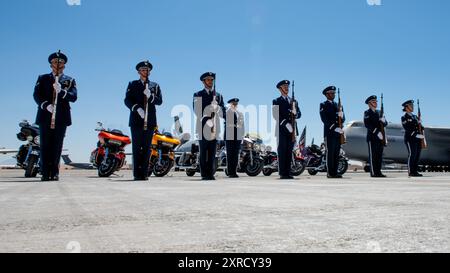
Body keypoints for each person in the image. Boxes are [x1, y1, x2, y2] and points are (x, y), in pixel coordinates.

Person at [33, 51, 77, 181]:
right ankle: (45, 173)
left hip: (61, 117)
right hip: (45, 116)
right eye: (55, 62)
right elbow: (36, 95)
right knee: (45, 144)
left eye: (61, 62)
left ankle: (55, 173)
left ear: (64, 65)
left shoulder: (69, 80)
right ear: (51, 64)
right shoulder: (43, 78)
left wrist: (62, 91)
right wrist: (46, 105)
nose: (58, 64)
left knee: (57, 145)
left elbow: (74, 97)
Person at [124, 60, 163, 181]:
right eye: (142, 70)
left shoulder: (154, 85)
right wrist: (137, 108)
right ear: (138, 72)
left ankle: (144, 173)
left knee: (147, 148)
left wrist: (151, 97)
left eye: (147, 70)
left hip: (150, 120)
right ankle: (137, 174)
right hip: (136, 119)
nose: (145, 72)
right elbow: (127, 100)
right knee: (136, 147)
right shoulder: (132, 84)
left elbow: (160, 101)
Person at [193, 72, 225, 180]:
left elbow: (223, 113)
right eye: (208, 80)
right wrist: (207, 119)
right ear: (203, 82)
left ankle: (210, 173)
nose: (210, 82)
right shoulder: (198, 94)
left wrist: (218, 108)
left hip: (215, 127)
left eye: (211, 80)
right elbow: (197, 110)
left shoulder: (218, 96)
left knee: (212, 152)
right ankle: (204, 174)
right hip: (203, 126)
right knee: (203, 151)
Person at [272, 80, 301, 180]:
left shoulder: (294, 101)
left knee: (289, 151)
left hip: (292, 130)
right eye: (284, 86)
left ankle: (288, 172)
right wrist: (285, 123)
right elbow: (275, 115)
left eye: (287, 86)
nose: (287, 88)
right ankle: (282, 173)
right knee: (282, 151)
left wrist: (295, 112)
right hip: (282, 130)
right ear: (280, 89)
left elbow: (299, 114)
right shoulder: (276, 101)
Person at [320, 86, 345, 178]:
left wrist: (341, 116)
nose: (333, 94)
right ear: (326, 94)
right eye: (331, 93)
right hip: (330, 132)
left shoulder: (338, 105)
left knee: (336, 153)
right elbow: (324, 119)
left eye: (334, 93)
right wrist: (334, 127)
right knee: (330, 153)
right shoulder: (323, 104)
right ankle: (330, 173)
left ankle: (335, 172)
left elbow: (343, 119)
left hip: (338, 133)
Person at [364, 95, 388, 178]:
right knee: (373, 156)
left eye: (376, 102)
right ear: (369, 104)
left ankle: (378, 172)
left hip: (380, 138)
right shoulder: (367, 112)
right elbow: (367, 124)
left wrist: (383, 121)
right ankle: (374, 172)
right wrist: (377, 132)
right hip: (372, 137)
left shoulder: (379, 112)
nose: (376, 103)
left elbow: (385, 124)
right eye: (374, 102)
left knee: (379, 156)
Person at [401, 100, 424, 177]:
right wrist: (415, 134)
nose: (413, 107)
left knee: (417, 155)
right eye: (411, 105)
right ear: (406, 107)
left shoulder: (415, 117)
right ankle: (411, 172)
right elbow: (407, 128)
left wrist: (420, 123)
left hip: (418, 139)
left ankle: (415, 171)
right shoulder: (404, 117)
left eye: (413, 105)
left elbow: (421, 127)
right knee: (412, 154)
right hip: (410, 138)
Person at [224, 98, 245, 178]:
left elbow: (242, 125)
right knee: (230, 154)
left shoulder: (240, 113)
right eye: (233, 103)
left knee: (236, 155)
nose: (235, 105)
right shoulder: (227, 112)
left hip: (238, 136)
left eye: (236, 104)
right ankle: (230, 172)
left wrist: (242, 136)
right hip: (229, 135)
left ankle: (234, 172)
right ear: (230, 104)